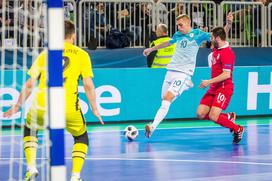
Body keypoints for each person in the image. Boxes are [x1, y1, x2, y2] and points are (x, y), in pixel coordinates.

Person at [3, 20, 103, 181]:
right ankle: (75, 176)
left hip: (43, 105)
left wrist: (17, 106)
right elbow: (88, 84)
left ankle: (31, 168)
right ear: (74, 35)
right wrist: (95, 108)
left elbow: (29, 84)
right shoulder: (82, 55)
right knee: (81, 137)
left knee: (30, 129)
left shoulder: (45, 54)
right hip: (68, 107)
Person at [143, 13, 233, 138]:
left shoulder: (198, 34)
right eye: (177, 25)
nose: (179, 28)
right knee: (164, 99)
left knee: (167, 100)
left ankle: (152, 127)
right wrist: (151, 49)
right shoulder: (178, 34)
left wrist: (228, 24)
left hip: (183, 73)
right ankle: (186, 85)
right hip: (170, 72)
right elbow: (168, 43)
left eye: (181, 25)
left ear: (188, 23)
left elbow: (219, 37)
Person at [197, 27, 244, 144]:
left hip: (224, 88)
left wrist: (208, 82)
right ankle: (228, 116)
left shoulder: (227, 53)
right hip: (214, 88)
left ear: (217, 38)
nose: (210, 40)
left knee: (213, 116)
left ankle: (238, 128)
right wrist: (228, 25)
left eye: (212, 38)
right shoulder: (216, 47)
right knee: (200, 114)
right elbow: (222, 33)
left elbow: (226, 74)